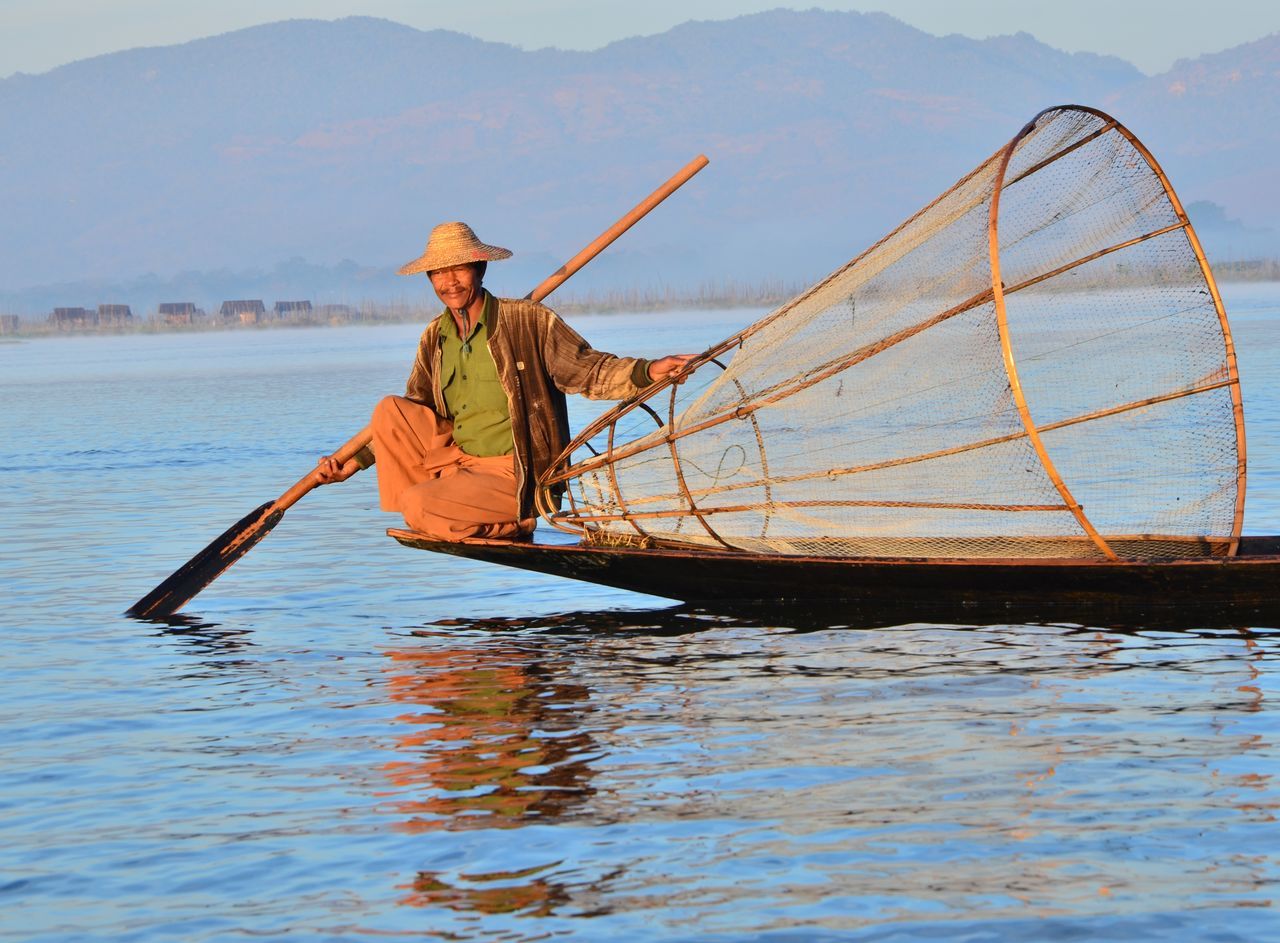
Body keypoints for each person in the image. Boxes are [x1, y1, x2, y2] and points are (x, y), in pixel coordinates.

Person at [315, 221, 695, 541]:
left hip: (516, 473)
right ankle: (445, 508)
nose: (450, 282)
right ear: (429, 278)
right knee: (391, 409)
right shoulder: (436, 336)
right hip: (457, 462)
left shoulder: (526, 321)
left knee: (416, 506)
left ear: (480, 268)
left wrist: (648, 370)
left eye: (459, 269)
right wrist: (358, 460)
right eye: (439, 273)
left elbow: (586, 369)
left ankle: (512, 520)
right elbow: (416, 412)